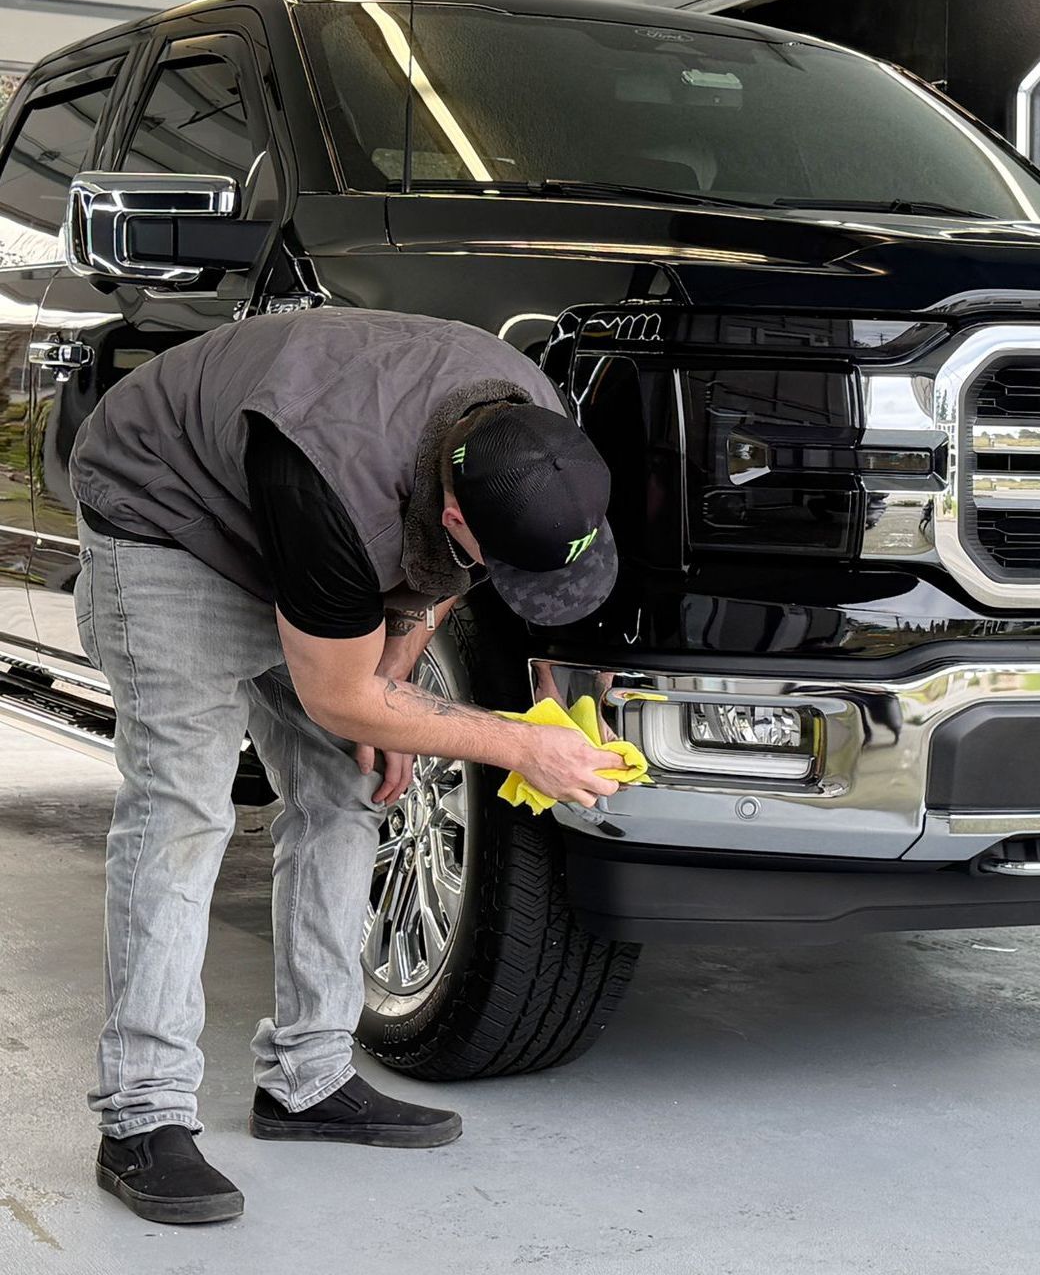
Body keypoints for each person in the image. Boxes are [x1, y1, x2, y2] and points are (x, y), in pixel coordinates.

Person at [69, 308, 625, 1226]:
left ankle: (307, 1078)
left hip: (310, 523)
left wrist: (398, 695)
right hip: (169, 517)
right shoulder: (331, 478)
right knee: (183, 810)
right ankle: (142, 1113)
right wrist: (523, 743)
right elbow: (337, 696)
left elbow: (439, 581)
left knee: (347, 788)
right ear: (455, 509)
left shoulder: (528, 436)